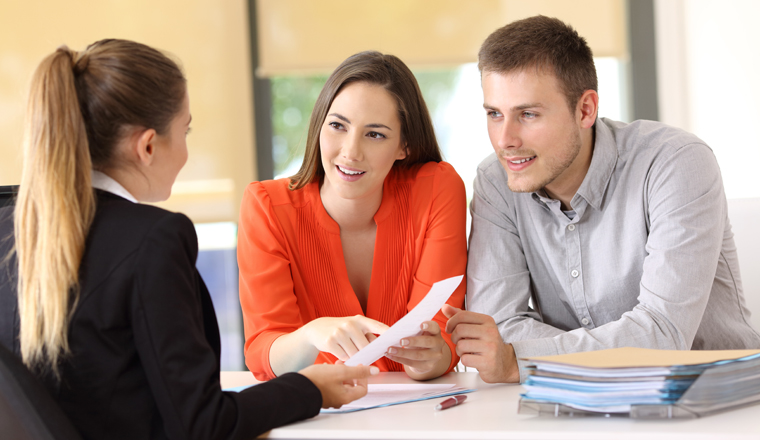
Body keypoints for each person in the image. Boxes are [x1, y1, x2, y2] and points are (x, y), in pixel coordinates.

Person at [0, 39, 377, 440]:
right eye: (185, 129)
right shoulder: (151, 240)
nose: (185, 150)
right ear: (147, 146)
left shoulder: (10, 224)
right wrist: (310, 389)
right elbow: (202, 424)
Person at [444, 16, 760, 384]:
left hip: (713, 402)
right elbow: (495, 330)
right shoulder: (496, 182)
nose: (505, 140)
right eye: (494, 114)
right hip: (572, 402)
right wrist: (534, 357)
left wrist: (520, 359)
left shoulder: (676, 162)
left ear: (585, 110)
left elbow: (662, 336)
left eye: (527, 114)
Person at [238, 51, 467, 382]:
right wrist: (310, 334)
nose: (350, 151)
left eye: (374, 134)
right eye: (337, 126)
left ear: (404, 145)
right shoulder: (266, 207)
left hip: (415, 414)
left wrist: (434, 356)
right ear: (319, 126)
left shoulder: (436, 189)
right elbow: (264, 354)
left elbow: (442, 330)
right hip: (321, 415)